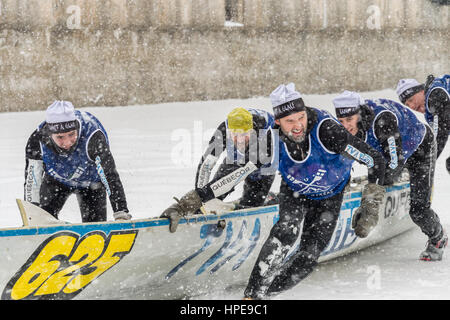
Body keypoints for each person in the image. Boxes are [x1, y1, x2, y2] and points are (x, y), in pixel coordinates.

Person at [243, 83, 387, 300]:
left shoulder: (328, 131)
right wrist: (197, 198)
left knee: (308, 260)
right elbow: (239, 169)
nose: (297, 126)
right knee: (285, 232)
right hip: (294, 190)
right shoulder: (269, 138)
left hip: (330, 196)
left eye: (300, 117)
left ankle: (267, 295)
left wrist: (370, 205)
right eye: (289, 121)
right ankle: (252, 297)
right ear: (277, 121)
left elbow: (374, 159)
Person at [333, 91, 447, 261]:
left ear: (360, 114)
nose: (346, 126)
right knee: (380, 173)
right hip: (388, 152)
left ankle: (438, 238)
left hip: (420, 149)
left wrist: (372, 199)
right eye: (341, 121)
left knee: (418, 210)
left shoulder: (382, 120)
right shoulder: (344, 127)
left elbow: (394, 162)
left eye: (349, 120)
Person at [161, 107, 277, 232]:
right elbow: (206, 164)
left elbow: (235, 176)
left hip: (264, 168)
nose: (240, 140)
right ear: (229, 131)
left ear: (252, 130)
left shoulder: (266, 139)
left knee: (249, 206)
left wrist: (189, 203)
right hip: (235, 159)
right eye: (235, 135)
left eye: (244, 134)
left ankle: (269, 200)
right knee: (210, 195)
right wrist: (198, 205)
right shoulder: (223, 130)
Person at [24, 100, 131, 222]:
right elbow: (32, 182)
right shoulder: (37, 140)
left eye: (71, 134)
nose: (67, 142)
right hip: (56, 182)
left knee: (95, 231)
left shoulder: (93, 136)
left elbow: (109, 175)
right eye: (60, 137)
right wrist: (32, 217)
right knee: (41, 220)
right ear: (50, 133)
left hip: (91, 185)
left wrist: (120, 212)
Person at [396, 75, 449, 174]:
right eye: (407, 105)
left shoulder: (435, 95)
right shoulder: (430, 112)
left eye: (411, 100)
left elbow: (439, 136)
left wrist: (421, 165)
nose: (412, 106)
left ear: (421, 91)